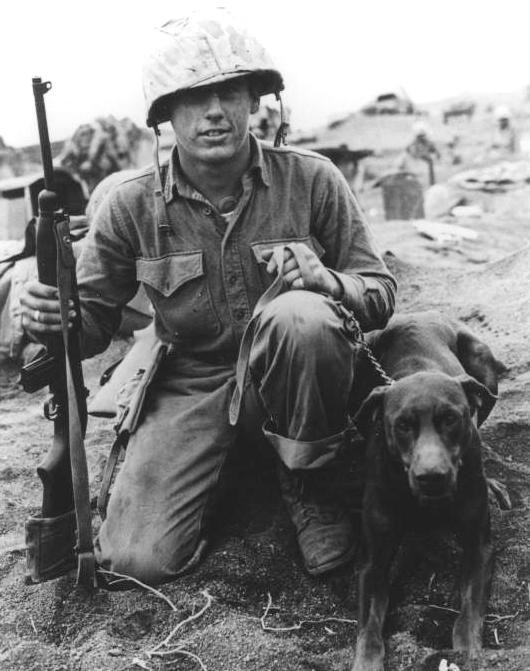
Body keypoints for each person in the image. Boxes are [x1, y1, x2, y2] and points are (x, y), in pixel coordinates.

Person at [20, 9, 396, 586]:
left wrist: (330, 284)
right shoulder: (128, 205)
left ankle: (308, 481)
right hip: (190, 385)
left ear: (255, 100)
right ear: (166, 114)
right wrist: (54, 317)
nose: (214, 112)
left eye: (229, 93)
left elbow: (380, 294)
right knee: (135, 560)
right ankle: (232, 471)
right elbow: (91, 325)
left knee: (302, 317)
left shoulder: (314, 179)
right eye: (193, 98)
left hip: (292, 375)